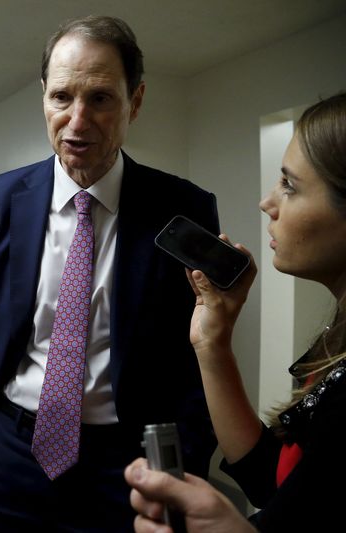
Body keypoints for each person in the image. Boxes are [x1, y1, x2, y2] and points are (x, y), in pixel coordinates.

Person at [0, 15, 219, 531]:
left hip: (129, 462)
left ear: (135, 101)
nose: (77, 122)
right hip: (11, 455)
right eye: (62, 97)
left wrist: (185, 459)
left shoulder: (185, 209)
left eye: (99, 98)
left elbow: (196, 351)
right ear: (44, 99)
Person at [126, 92, 346, 532]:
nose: (268, 202)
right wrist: (213, 344)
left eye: (290, 185)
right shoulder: (335, 341)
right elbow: (275, 483)